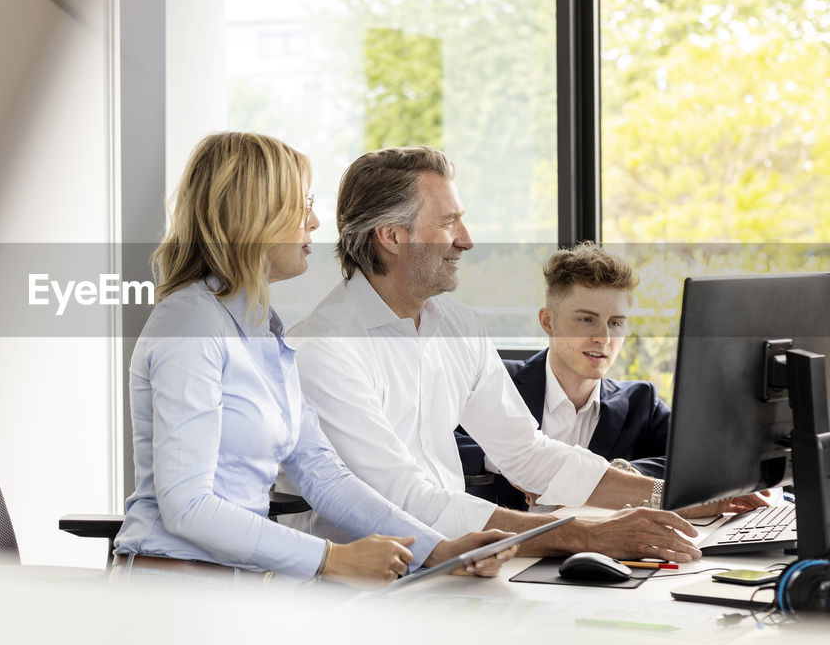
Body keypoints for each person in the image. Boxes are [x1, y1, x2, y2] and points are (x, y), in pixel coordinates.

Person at [285, 146, 763, 564]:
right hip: (360, 586)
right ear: (391, 237)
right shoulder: (325, 349)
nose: (466, 239)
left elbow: (526, 453)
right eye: (449, 222)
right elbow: (404, 500)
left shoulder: (458, 326)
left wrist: (670, 497)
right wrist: (581, 536)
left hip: (454, 563)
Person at [111, 132, 514, 589]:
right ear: (254, 213)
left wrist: (435, 550)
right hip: (169, 589)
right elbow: (187, 506)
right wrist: (332, 559)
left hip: (237, 588)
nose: (316, 222)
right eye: (301, 205)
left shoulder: (264, 331)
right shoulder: (188, 323)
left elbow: (323, 474)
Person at [456, 243, 668, 510]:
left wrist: (616, 475)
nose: (603, 338)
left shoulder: (641, 404)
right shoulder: (496, 381)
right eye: (586, 320)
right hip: (506, 547)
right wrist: (513, 460)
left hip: (603, 550)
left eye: (615, 323)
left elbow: (698, 464)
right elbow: (430, 440)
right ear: (548, 322)